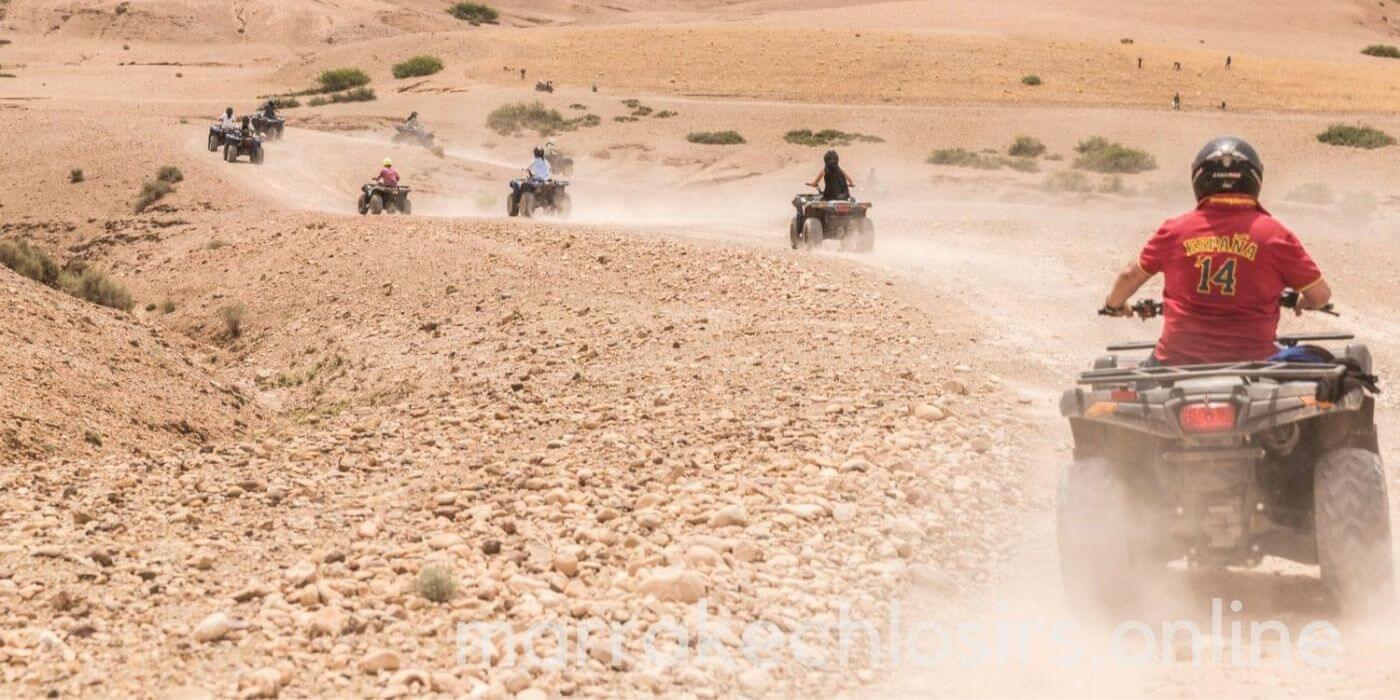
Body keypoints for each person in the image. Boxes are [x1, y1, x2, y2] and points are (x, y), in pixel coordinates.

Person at [1100, 137, 1331, 366]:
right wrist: (1303, 301)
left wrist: (1115, 305)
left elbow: (1131, 273)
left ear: (1199, 178)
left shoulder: (1175, 230)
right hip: (1254, 362)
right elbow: (1320, 296)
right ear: (1255, 179)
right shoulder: (1274, 234)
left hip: (1175, 362)